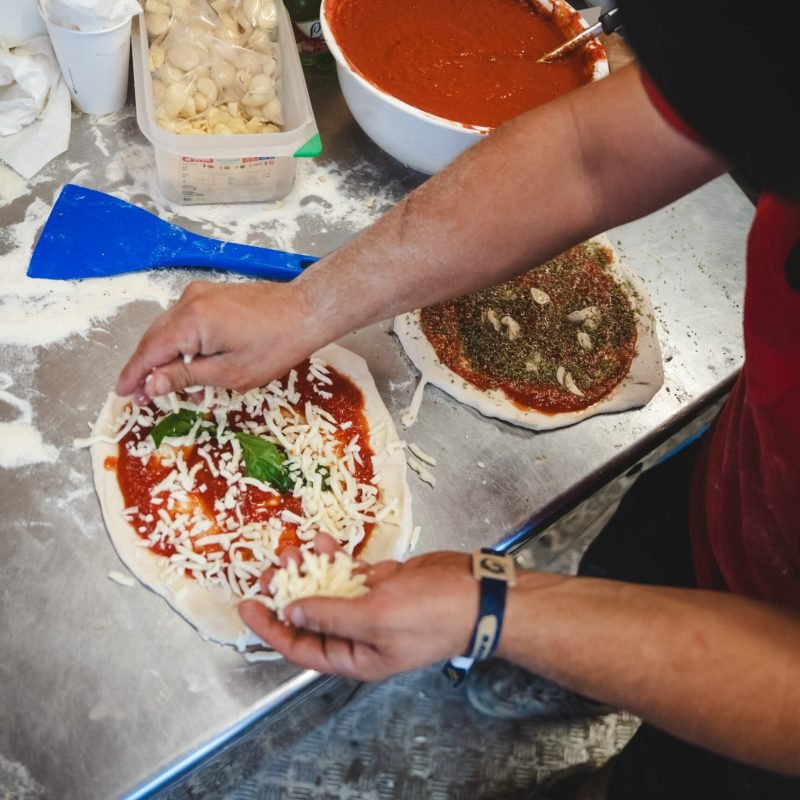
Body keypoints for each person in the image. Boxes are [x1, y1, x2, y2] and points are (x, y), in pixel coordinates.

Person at [116, 1, 800, 796]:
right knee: (642, 555)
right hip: (745, 478)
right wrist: (304, 308)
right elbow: (589, 155)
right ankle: (578, 673)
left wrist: (504, 613)